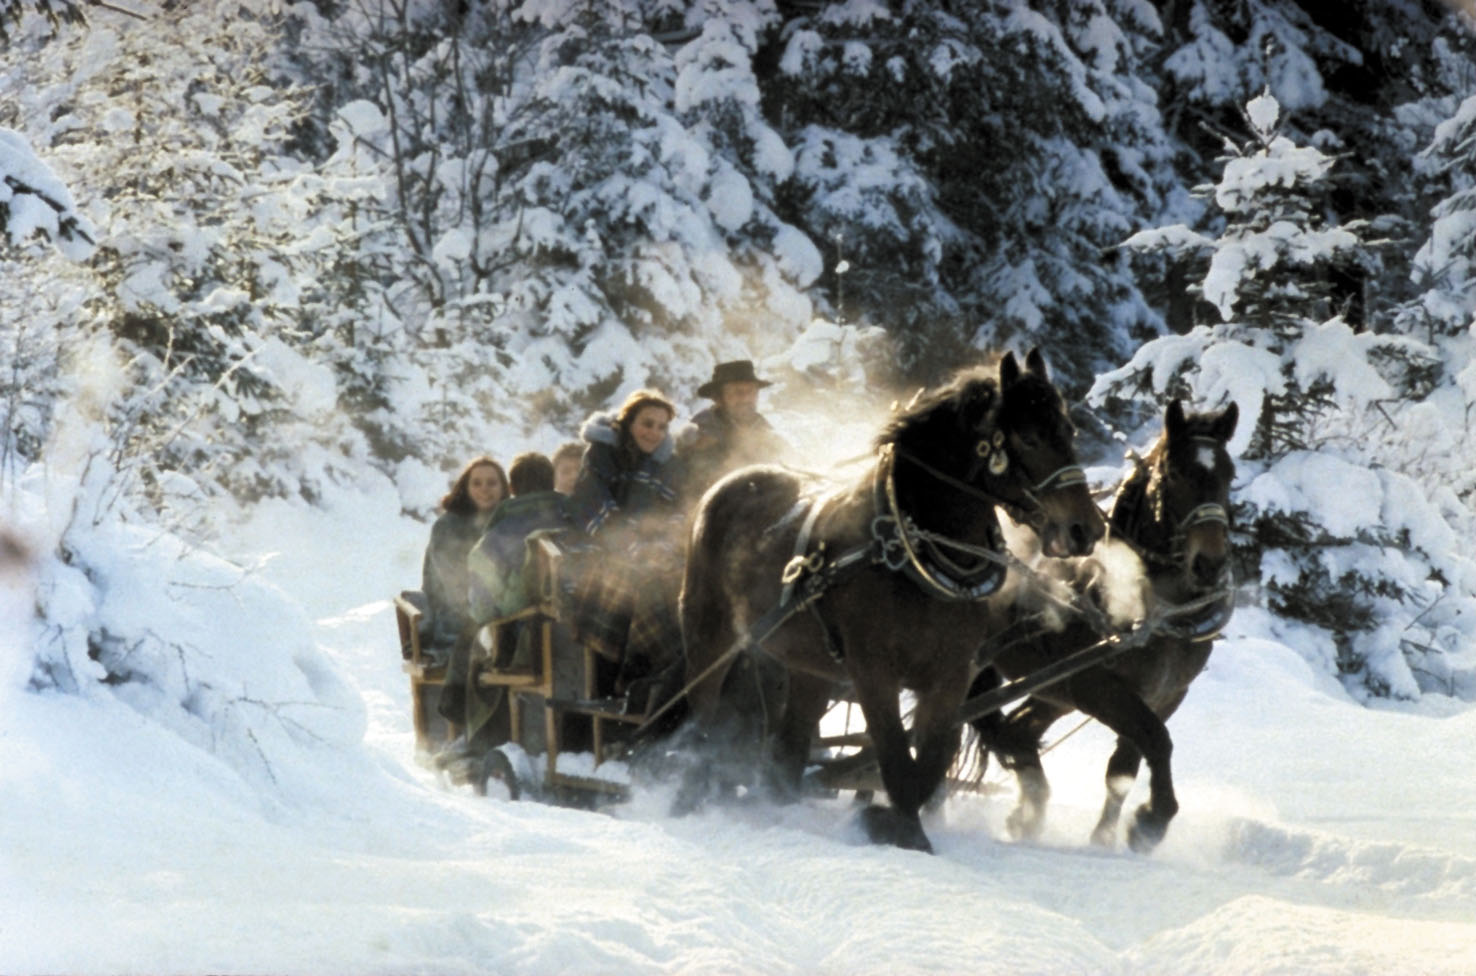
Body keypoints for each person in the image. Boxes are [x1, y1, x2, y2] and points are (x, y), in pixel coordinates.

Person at [439, 452, 574, 749]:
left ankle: (476, 736)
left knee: (474, 650)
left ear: (511, 487)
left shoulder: (499, 533)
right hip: (577, 629)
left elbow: (482, 606)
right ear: (551, 482)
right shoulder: (575, 516)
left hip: (528, 639)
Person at [567, 389, 685, 709]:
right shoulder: (601, 455)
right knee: (641, 584)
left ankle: (675, 674)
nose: (654, 433)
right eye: (647, 423)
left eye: (662, 427)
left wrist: (666, 543)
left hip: (654, 550)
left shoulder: (668, 465)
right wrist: (633, 546)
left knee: (684, 580)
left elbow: (677, 511)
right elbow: (594, 507)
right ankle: (629, 679)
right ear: (628, 422)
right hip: (603, 553)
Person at [419, 456, 508, 659]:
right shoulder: (448, 527)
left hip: (502, 616)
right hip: (457, 617)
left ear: (503, 487)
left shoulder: (509, 522)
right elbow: (454, 585)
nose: (484, 489)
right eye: (476, 483)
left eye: (492, 483)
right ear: (465, 488)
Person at [677, 359, 788, 498]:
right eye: (737, 391)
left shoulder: (769, 437)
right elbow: (691, 485)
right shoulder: (698, 435)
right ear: (718, 398)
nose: (745, 398)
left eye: (750, 391)